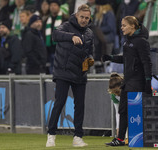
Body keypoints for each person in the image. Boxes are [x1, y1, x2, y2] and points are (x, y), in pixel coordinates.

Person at [46, 4, 94, 147]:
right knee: (59, 102)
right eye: (82, 17)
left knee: (80, 105)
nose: (84, 20)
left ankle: (78, 137)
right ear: (76, 15)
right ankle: (51, 135)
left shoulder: (90, 33)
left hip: (80, 73)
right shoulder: (65, 26)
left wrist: (90, 59)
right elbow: (55, 35)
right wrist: (71, 36)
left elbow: (91, 51)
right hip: (63, 71)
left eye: (87, 18)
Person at [102, 16, 152, 146]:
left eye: (124, 25)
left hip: (137, 81)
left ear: (132, 26)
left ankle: (140, 139)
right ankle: (120, 139)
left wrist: (148, 81)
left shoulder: (141, 42)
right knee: (123, 110)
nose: (122, 28)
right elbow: (126, 59)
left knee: (137, 113)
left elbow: (147, 62)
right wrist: (111, 58)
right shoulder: (127, 42)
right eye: (121, 25)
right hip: (128, 81)